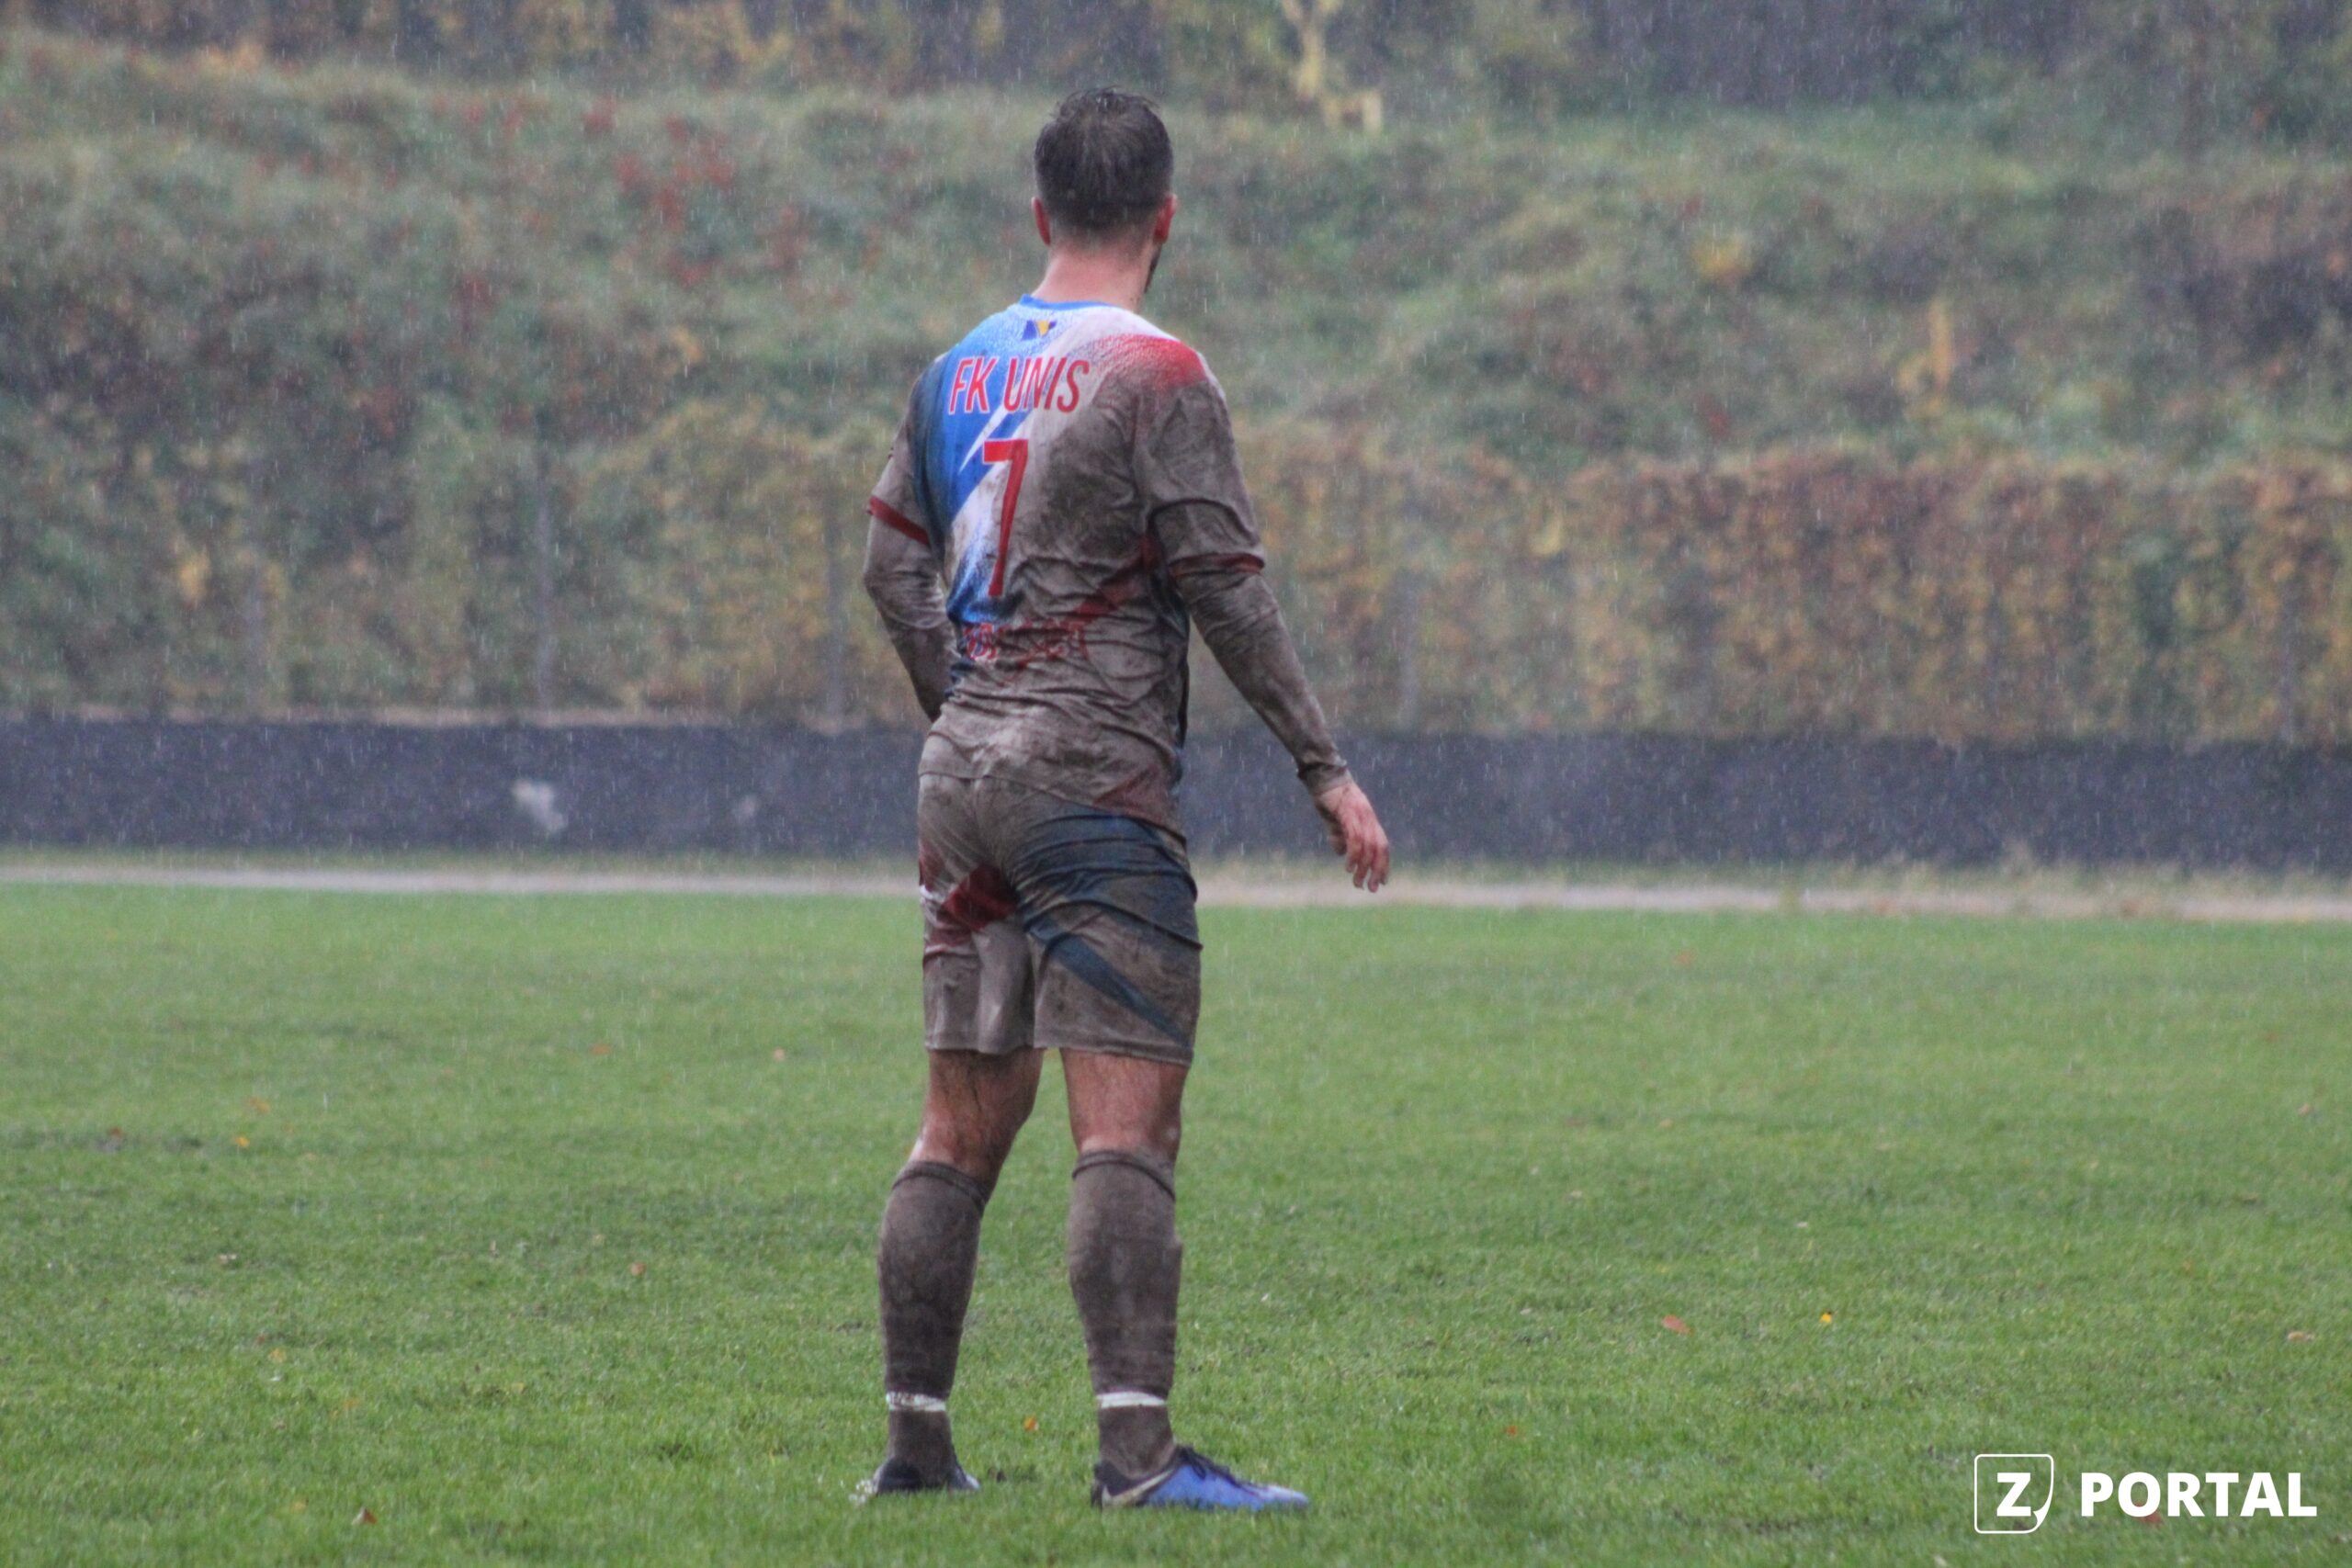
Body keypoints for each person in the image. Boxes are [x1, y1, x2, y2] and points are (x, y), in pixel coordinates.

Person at [858, 86, 1390, 1513]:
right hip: (1096, 791)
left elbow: (890, 564)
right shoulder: (1159, 376)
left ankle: (916, 1450)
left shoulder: (954, 372)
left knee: (957, 1128)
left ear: (1041, 212)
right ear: (1166, 220)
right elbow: (1228, 590)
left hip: (964, 784)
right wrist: (1324, 767)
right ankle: (1139, 1462)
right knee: (1125, 1127)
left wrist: (965, 700)